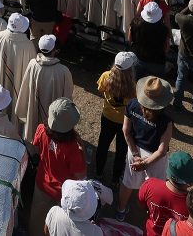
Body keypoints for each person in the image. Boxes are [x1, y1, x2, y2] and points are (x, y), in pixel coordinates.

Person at [117, 76, 175, 220]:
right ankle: (152, 216)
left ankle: (120, 210)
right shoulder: (166, 117)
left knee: (128, 182)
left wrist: (136, 155)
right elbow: (162, 150)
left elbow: (126, 131)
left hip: (134, 149)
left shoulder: (132, 105)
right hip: (155, 157)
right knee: (155, 189)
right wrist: (145, 163)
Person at [29, 98, 87, 230]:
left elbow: (36, 147)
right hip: (62, 193)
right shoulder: (73, 147)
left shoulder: (41, 129)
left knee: (37, 218)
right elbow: (81, 175)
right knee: (57, 226)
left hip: (42, 183)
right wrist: (82, 151)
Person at [95, 52, 136, 189]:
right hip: (124, 121)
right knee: (121, 151)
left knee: (103, 145)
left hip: (107, 117)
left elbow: (100, 89)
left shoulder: (106, 76)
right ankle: (115, 179)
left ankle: (99, 173)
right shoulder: (133, 86)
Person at [139, 151, 193, 236]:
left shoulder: (149, 185)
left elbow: (142, 204)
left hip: (149, 232)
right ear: (190, 183)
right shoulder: (192, 204)